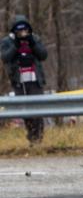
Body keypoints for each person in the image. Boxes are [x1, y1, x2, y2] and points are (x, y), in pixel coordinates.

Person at [0, 15, 48, 145]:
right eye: (19, 30)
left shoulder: (35, 38)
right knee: (25, 111)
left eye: (25, 30)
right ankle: (32, 137)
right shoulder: (7, 42)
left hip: (34, 80)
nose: (23, 33)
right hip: (19, 81)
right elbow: (5, 57)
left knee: (37, 110)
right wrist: (15, 45)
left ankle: (38, 139)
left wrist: (32, 42)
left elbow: (43, 55)